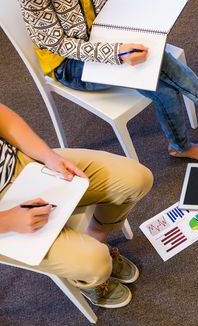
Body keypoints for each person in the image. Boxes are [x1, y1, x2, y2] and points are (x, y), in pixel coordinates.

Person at [10, 0, 198, 163]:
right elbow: (54, 42)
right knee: (159, 76)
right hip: (71, 62)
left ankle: (181, 145)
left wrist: (139, 26)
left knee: (157, 73)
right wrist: (115, 52)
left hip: (110, 30)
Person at [0, 103, 153, 308]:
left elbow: (4, 119)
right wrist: (8, 221)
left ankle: (97, 237)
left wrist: (48, 156)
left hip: (22, 162)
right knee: (95, 263)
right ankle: (89, 280)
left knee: (136, 179)